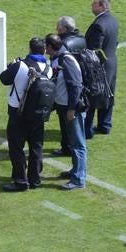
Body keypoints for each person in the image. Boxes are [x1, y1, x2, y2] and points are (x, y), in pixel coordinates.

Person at [0, 37, 53, 191]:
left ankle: (20, 181)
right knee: (36, 147)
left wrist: (11, 65)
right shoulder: (48, 69)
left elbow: (4, 78)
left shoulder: (20, 65)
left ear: (30, 49)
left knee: (16, 148)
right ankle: (35, 179)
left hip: (18, 113)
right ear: (43, 50)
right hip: (38, 114)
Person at [46, 33, 86, 190]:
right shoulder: (58, 57)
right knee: (73, 142)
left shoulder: (66, 60)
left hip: (72, 109)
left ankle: (78, 179)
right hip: (64, 107)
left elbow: (76, 86)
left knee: (78, 144)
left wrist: (71, 109)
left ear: (50, 47)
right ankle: (75, 171)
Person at [83, 0, 118, 135]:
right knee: (108, 94)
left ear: (102, 6)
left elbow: (95, 50)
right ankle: (105, 125)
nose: (92, 5)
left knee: (93, 95)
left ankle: (87, 130)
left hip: (99, 67)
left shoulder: (99, 25)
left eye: (94, 3)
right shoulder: (113, 20)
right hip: (112, 63)